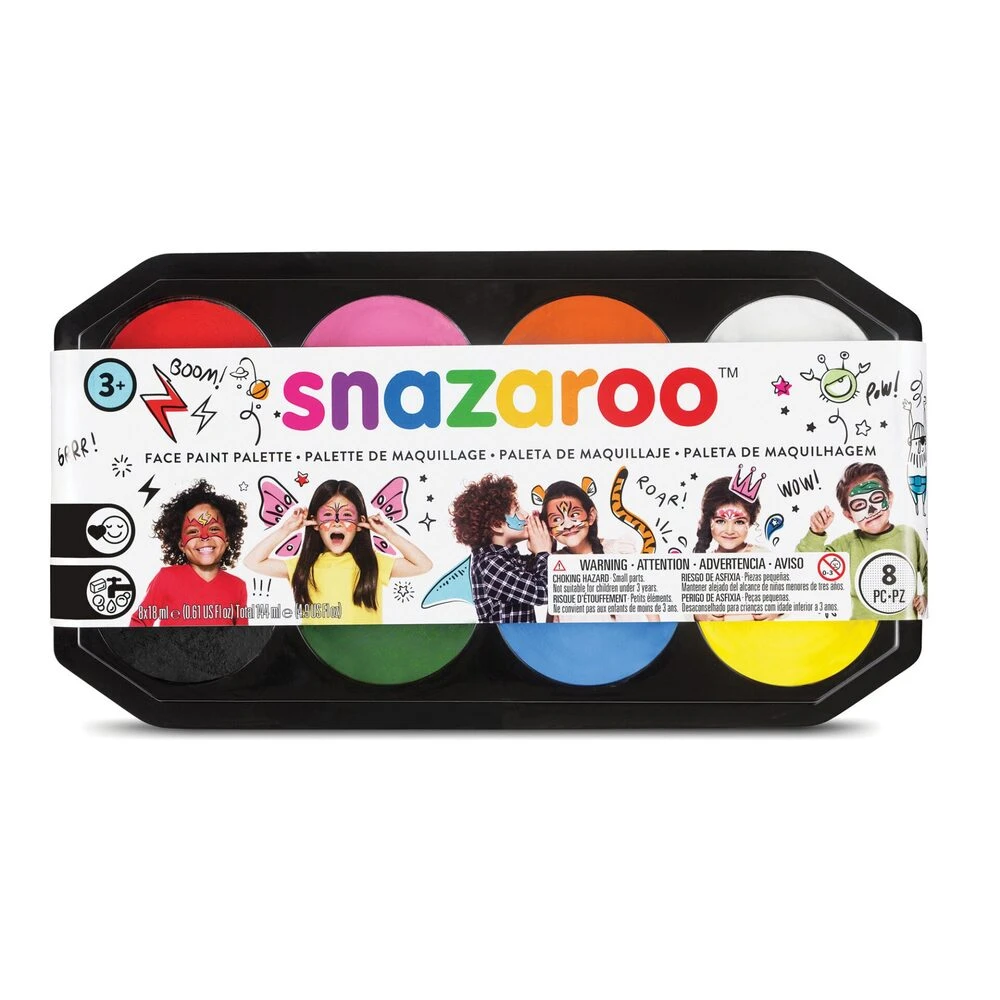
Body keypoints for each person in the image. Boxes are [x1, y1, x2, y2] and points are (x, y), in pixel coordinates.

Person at [244, 479, 431, 624]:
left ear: (360, 523)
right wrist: (286, 529)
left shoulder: (373, 563)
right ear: (315, 523)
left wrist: (387, 533)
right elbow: (252, 561)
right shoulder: (302, 566)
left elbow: (423, 565)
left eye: (347, 515)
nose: (337, 522)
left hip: (364, 653)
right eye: (327, 515)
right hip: (317, 654)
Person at [798, 462, 928, 619]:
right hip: (860, 630)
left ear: (889, 498)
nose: (871, 510)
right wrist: (816, 532)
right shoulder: (847, 544)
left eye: (876, 498)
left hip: (902, 629)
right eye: (859, 504)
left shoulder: (908, 535)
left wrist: (926, 596)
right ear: (849, 516)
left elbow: (928, 570)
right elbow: (805, 567)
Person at [130, 479, 248, 626]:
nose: (204, 536)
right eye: (193, 531)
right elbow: (139, 622)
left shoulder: (237, 586)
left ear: (227, 539)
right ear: (181, 543)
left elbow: (243, 635)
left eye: (214, 529)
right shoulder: (166, 578)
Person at [540, 479, 658, 622]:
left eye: (574, 515)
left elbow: (648, 605)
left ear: (591, 516)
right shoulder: (552, 562)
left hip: (625, 635)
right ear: (548, 528)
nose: (568, 525)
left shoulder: (618, 551)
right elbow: (553, 621)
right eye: (556, 519)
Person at [451, 474, 550, 623]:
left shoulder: (506, 559)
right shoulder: (490, 565)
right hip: (502, 639)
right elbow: (545, 592)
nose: (525, 514)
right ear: (497, 525)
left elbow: (537, 572)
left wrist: (544, 538)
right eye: (517, 510)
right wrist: (543, 552)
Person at [692, 475, 775, 621]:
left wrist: (777, 611)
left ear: (750, 522)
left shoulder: (764, 557)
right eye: (720, 521)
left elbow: (790, 597)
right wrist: (700, 614)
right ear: (709, 521)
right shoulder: (700, 564)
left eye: (739, 522)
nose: (729, 530)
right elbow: (685, 607)